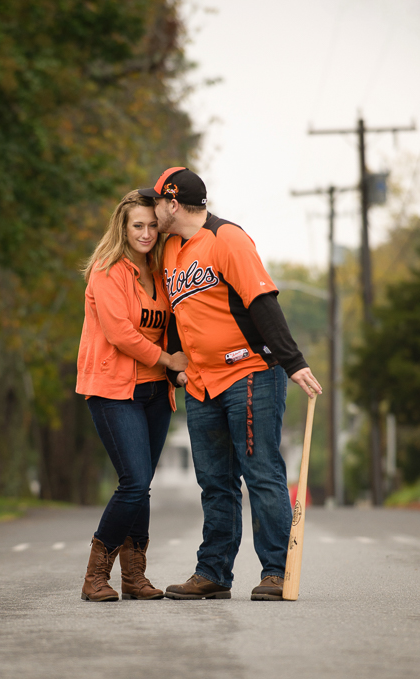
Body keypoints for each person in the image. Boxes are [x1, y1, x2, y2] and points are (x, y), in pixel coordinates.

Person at [138, 167, 322, 600]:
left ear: (173, 203)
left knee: (260, 473)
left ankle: (275, 571)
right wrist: (174, 367)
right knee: (215, 482)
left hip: (250, 374)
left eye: (156, 202)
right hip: (201, 385)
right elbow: (180, 316)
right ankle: (214, 572)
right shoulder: (169, 251)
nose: (152, 209)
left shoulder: (228, 240)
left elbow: (262, 300)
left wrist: (292, 361)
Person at [76, 190, 189, 602]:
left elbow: (174, 321)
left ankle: (134, 577)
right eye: (137, 226)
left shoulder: (160, 271)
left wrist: (175, 368)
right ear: (122, 229)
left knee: (142, 487)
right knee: (134, 482)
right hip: (112, 390)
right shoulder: (108, 270)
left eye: (151, 225)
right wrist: (168, 360)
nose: (145, 233)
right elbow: (120, 333)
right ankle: (94, 577)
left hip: (155, 392)